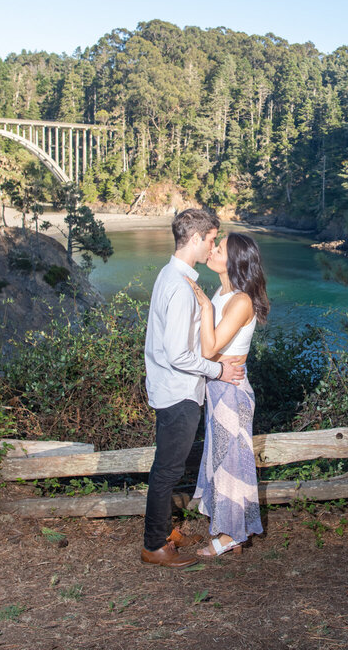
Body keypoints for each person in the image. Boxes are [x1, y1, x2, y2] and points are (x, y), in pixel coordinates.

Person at [141, 208, 244, 568]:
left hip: (170, 388)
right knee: (167, 470)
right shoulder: (180, 286)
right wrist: (217, 370)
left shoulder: (171, 276)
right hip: (179, 391)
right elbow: (178, 355)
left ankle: (165, 531)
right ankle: (154, 546)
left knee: (167, 467)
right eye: (212, 239)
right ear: (197, 238)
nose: (213, 246)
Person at [185, 232, 269, 557]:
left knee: (231, 464)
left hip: (231, 391)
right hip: (218, 386)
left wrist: (204, 305)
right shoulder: (222, 292)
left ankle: (231, 535)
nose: (212, 249)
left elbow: (208, 347)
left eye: (219, 248)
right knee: (221, 460)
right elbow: (204, 348)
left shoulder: (241, 300)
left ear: (233, 260)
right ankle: (229, 527)